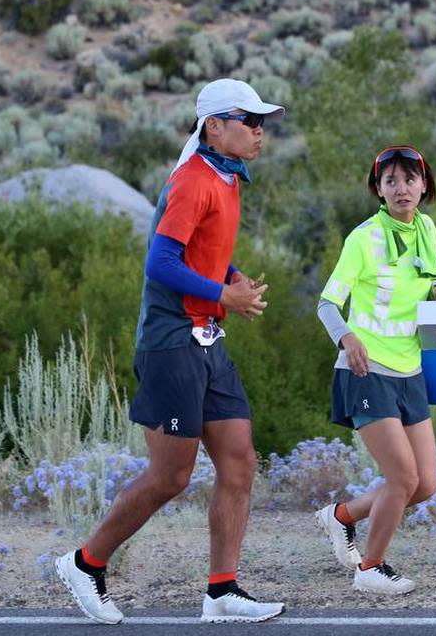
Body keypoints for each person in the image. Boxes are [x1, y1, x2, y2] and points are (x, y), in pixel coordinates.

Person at [56, 79, 287, 624]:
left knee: (239, 461)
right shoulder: (192, 181)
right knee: (171, 477)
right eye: (249, 121)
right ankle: (85, 564)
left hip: (207, 339)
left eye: (263, 123)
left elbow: (199, 255)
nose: (259, 132)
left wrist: (231, 279)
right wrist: (221, 293)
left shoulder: (226, 179)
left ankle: (222, 590)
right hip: (170, 341)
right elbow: (159, 265)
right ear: (213, 126)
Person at [312, 145, 436, 595]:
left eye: (409, 179)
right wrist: (346, 338)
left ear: (424, 185)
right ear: (378, 190)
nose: (401, 188)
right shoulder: (362, 239)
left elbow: (421, 292)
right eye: (391, 181)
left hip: (411, 370)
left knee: (424, 484)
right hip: (365, 370)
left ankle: (341, 516)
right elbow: (328, 303)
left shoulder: (427, 229)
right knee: (402, 478)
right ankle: (370, 569)